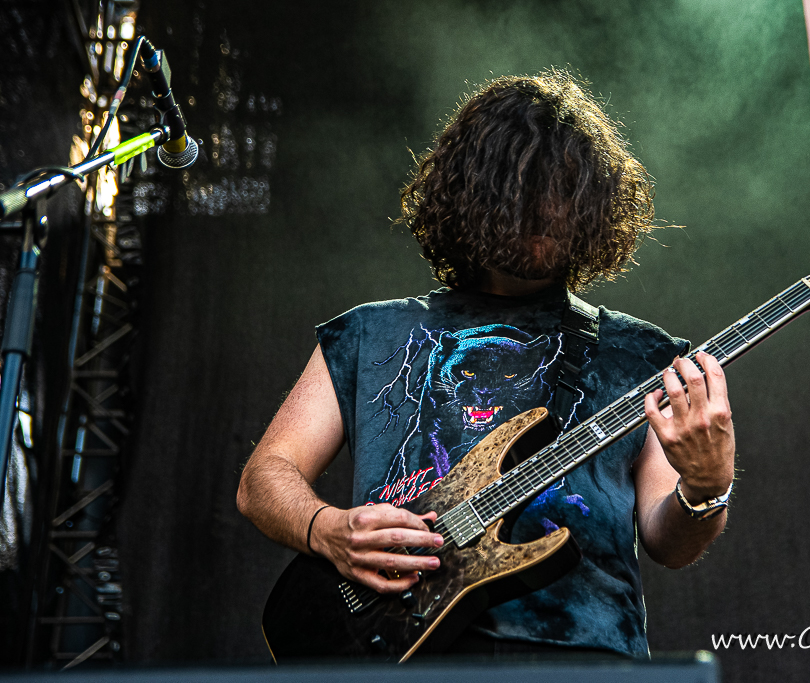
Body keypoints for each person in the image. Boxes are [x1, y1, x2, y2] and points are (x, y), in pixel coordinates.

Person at [236, 69, 735, 659]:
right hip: (395, 650)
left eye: (565, 190)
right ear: (472, 192)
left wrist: (706, 488)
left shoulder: (644, 354)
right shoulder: (370, 333)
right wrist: (326, 529)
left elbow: (669, 542)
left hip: (582, 659)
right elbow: (264, 477)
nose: (546, 208)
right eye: (523, 187)